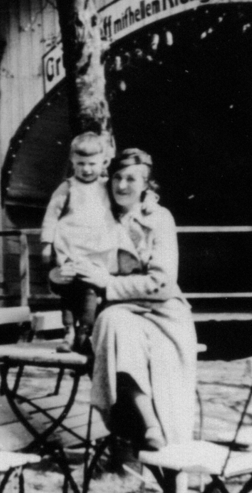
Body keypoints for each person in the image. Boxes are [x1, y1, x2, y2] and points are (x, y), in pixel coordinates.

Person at [71, 148, 198, 457]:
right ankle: (149, 425)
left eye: (131, 179)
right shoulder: (100, 218)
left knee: (117, 328)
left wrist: (108, 283)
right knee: (112, 323)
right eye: (117, 177)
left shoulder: (159, 218)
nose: (123, 186)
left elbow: (162, 283)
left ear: (146, 186)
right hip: (121, 313)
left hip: (163, 314)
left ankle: (148, 443)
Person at [40, 132, 138, 353]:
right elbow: (51, 216)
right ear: (72, 162)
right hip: (71, 250)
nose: (86, 169)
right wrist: (46, 244)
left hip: (97, 252)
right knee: (67, 291)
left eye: (91, 164)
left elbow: (128, 199)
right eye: (80, 164)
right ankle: (68, 333)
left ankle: (85, 332)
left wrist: (149, 198)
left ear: (103, 162)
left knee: (90, 291)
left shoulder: (106, 186)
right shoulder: (68, 187)